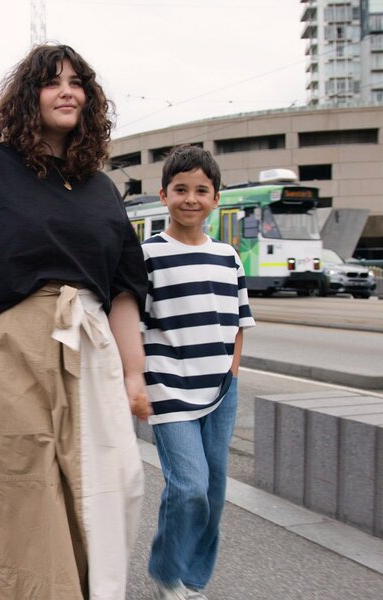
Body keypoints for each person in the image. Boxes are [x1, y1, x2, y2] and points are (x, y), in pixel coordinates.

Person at [0, 43, 151, 600]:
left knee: (108, 486)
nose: (67, 92)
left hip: (89, 345)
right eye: (52, 82)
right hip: (5, 346)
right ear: (28, 96)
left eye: (76, 82)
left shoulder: (100, 188)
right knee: (28, 494)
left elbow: (123, 288)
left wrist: (134, 373)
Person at [141, 146, 255, 600]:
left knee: (215, 490)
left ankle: (193, 579)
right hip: (168, 387)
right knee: (189, 486)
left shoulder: (228, 256)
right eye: (181, 189)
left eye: (202, 190)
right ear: (163, 195)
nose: (191, 198)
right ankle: (167, 574)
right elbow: (132, 323)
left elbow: (240, 321)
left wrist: (233, 371)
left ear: (216, 199)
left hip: (221, 390)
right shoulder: (147, 255)